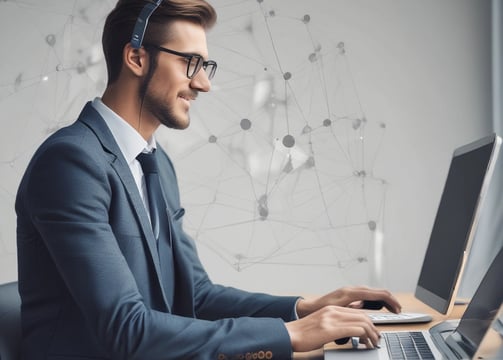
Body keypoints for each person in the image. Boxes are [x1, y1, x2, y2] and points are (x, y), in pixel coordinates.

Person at [15, 0, 401, 359]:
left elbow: (195, 296)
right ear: (136, 57)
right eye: (191, 62)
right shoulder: (71, 162)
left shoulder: (155, 164)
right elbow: (126, 329)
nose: (204, 84)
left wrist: (304, 308)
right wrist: (291, 335)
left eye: (205, 66)